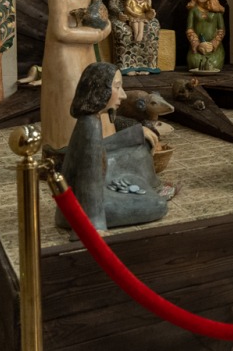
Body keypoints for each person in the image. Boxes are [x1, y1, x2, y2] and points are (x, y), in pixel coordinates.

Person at [56, 63, 167, 232]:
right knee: (159, 204)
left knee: (138, 153)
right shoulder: (90, 126)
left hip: (75, 206)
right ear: (101, 90)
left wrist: (136, 134)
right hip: (80, 213)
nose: (123, 95)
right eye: (117, 87)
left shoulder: (89, 120)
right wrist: (95, 229)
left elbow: (97, 149)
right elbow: (89, 188)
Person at [40, 0, 112, 150]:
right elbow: (60, 31)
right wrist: (96, 35)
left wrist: (105, 27)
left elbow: (97, 19)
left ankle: (93, 146)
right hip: (63, 56)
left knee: (92, 95)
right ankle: (64, 148)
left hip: (86, 52)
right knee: (70, 97)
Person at [108, 0, 161, 74]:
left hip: (139, 16)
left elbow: (145, 4)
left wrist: (149, 12)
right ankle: (126, 66)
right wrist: (119, 13)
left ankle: (146, 65)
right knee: (123, 31)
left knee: (153, 26)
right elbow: (112, 4)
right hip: (121, 16)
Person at [186, 0, 226, 72]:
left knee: (213, 64)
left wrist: (213, 44)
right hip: (197, 48)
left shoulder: (216, 12)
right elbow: (189, 29)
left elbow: (221, 30)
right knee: (195, 63)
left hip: (214, 49)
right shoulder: (193, 11)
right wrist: (197, 44)